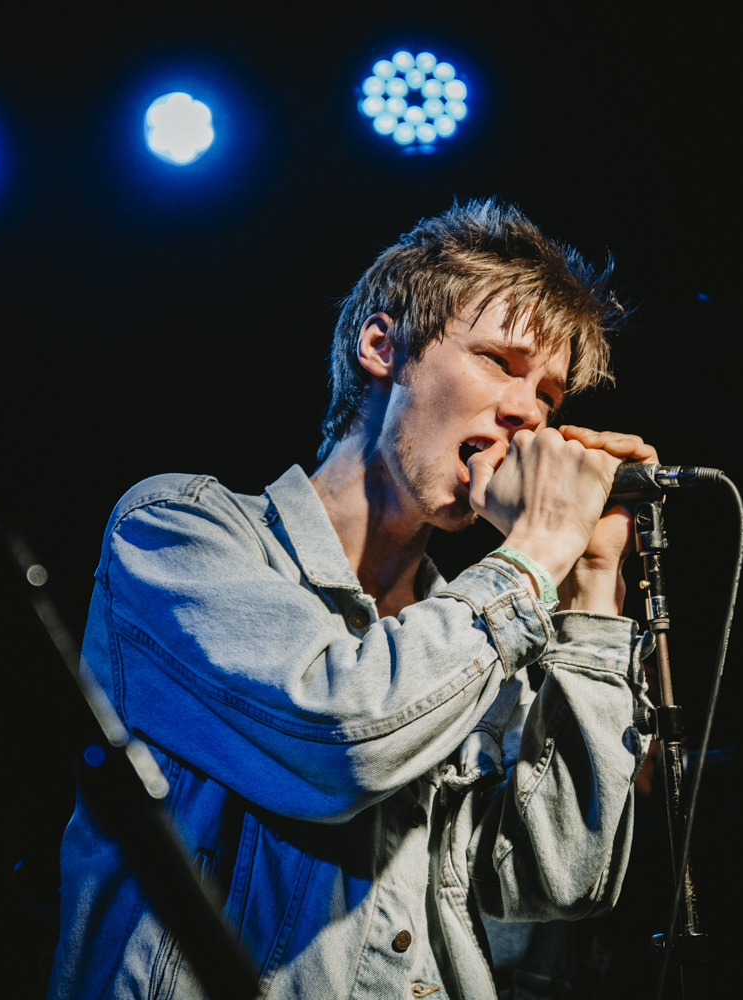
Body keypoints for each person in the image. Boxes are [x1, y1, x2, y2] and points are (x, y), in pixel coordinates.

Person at [48, 199, 656, 1000]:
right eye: (499, 362)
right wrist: (536, 554)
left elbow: (558, 882)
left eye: (549, 392)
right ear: (381, 346)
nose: (528, 413)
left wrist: (591, 587)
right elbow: (343, 742)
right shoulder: (177, 532)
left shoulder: (492, 633)